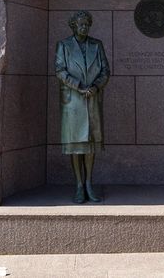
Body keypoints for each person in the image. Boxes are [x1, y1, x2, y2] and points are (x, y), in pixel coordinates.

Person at [54, 11, 110, 203]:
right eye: (80, 25)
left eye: (87, 24)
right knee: (75, 144)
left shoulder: (97, 45)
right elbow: (59, 70)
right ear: (73, 26)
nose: (84, 27)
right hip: (73, 100)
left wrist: (95, 87)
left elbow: (105, 70)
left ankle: (88, 183)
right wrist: (78, 86)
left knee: (90, 145)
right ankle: (78, 184)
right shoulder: (64, 46)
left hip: (92, 98)